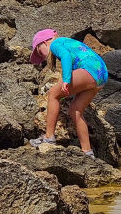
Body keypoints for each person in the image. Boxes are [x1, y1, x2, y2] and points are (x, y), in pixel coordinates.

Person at [28, 30, 109, 158]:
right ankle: (87, 152)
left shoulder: (56, 43)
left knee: (53, 94)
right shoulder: (68, 42)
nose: (42, 57)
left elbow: (65, 56)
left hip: (89, 69)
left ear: (44, 43)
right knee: (75, 110)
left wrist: (66, 80)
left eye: (39, 51)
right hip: (101, 74)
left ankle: (49, 137)